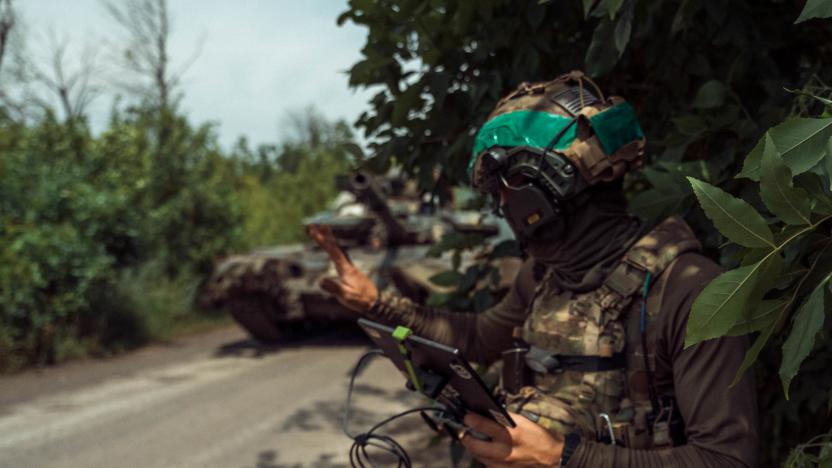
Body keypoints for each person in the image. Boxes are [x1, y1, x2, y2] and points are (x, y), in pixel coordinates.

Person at [308, 71, 758, 468]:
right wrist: (376, 303)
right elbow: (478, 339)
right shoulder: (542, 276)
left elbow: (726, 459)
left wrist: (561, 457)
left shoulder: (689, 290)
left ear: (553, 184)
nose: (502, 205)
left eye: (507, 186)